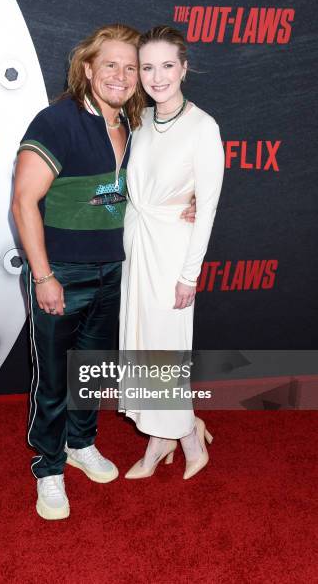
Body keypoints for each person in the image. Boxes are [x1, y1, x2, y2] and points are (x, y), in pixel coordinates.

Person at [12, 24, 196, 520]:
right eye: (110, 64)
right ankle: (49, 468)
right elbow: (23, 201)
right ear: (88, 69)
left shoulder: (133, 128)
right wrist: (44, 275)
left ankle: (80, 443)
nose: (122, 74)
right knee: (53, 376)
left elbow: (144, 190)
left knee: (90, 373)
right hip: (63, 272)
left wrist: (187, 203)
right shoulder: (56, 121)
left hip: (116, 270)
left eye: (131, 66)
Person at [119, 26, 224, 480]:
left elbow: (208, 208)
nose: (157, 76)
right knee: (143, 350)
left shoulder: (203, 128)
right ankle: (168, 436)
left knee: (165, 352)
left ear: (184, 67)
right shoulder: (139, 119)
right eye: (147, 67)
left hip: (171, 257)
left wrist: (189, 274)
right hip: (137, 249)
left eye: (167, 65)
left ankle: (182, 437)